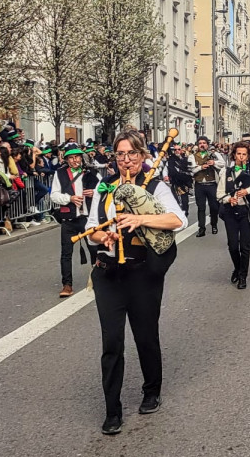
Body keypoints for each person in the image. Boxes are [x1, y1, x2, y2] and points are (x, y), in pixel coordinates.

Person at [85, 131, 186, 435]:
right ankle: (112, 410)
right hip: (108, 273)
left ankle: (151, 391)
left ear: (143, 156)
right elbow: (91, 228)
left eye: (132, 154)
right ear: (113, 158)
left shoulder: (154, 186)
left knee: (145, 335)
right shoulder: (104, 189)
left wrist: (140, 220)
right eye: (120, 154)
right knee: (111, 341)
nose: (125, 160)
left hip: (142, 271)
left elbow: (176, 220)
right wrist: (104, 235)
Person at [49, 142, 97, 298]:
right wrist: (69, 198)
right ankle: (67, 285)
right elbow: (53, 195)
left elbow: (105, 189)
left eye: (77, 157)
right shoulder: (60, 173)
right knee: (66, 253)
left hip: (87, 218)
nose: (75, 160)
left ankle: (97, 280)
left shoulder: (91, 171)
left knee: (94, 249)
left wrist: (94, 192)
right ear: (67, 159)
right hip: (69, 218)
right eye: (72, 158)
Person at [218, 140, 250, 289]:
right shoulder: (226, 172)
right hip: (230, 212)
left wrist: (247, 191)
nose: (241, 157)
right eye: (238, 154)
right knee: (233, 246)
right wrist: (228, 199)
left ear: (247, 156)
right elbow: (219, 193)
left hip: (246, 211)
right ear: (234, 155)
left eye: (244, 154)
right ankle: (237, 268)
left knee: (245, 246)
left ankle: (242, 276)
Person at [190, 137, 224, 238]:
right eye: (200, 143)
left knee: (214, 207)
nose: (202, 145)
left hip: (212, 184)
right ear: (197, 145)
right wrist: (200, 167)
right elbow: (191, 170)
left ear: (207, 145)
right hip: (199, 184)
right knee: (201, 207)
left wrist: (214, 163)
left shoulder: (215, 155)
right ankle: (201, 228)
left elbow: (223, 164)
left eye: (204, 143)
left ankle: (214, 225)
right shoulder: (192, 156)